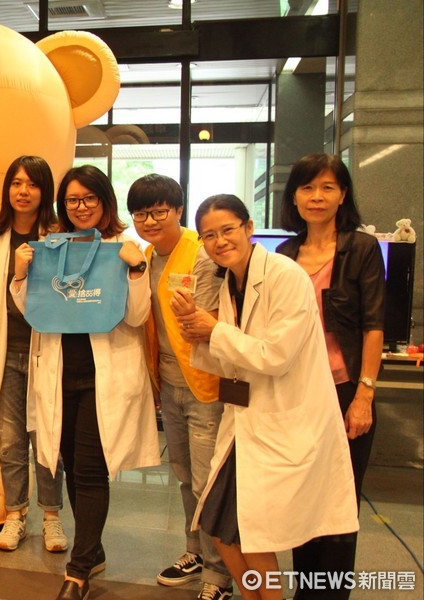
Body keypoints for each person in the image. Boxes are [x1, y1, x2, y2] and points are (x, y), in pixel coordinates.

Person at [173, 194, 360, 600]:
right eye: (209, 235)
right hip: (247, 420)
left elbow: (276, 355)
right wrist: (197, 332)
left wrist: (214, 331)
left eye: (227, 230)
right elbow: (233, 358)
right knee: (220, 526)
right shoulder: (231, 283)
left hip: (287, 420)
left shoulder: (284, 275)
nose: (220, 241)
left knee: (250, 532)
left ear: (248, 228)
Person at [10, 165, 160, 600]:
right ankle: (92, 551)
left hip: (104, 377)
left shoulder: (124, 248)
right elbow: (33, 310)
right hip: (59, 374)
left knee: (91, 469)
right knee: (73, 464)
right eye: (73, 200)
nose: (81, 207)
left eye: (89, 198)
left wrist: (136, 271)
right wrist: (20, 275)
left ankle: (77, 573)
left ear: (104, 201)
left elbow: (137, 317)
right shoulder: (50, 246)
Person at [277, 154, 384, 599]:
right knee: (302, 496)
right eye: (307, 188)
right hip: (299, 393)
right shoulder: (285, 254)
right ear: (294, 197)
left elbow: (373, 325)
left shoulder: (361, 248)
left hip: (344, 390)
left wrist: (364, 396)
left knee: (339, 501)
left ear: (343, 195)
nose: (316, 197)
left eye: (327, 187)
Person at [127, 174, 232, 600]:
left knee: (208, 481)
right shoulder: (147, 256)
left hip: (205, 385)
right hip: (169, 383)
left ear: (178, 210)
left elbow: (207, 320)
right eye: (141, 214)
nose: (150, 221)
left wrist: (193, 317)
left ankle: (219, 575)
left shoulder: (200, 253)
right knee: (185, 476)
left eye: (159, 211)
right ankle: (196, 551)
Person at [0, 156, 67, 553]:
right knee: (10, 442)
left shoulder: (58, 233)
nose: (23, 191)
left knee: (48, 438)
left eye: (32, 184)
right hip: (5, 353)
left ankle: (52, 517)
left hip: (45, 351)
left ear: (44, 191)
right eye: (16, 183)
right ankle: (15, 515)